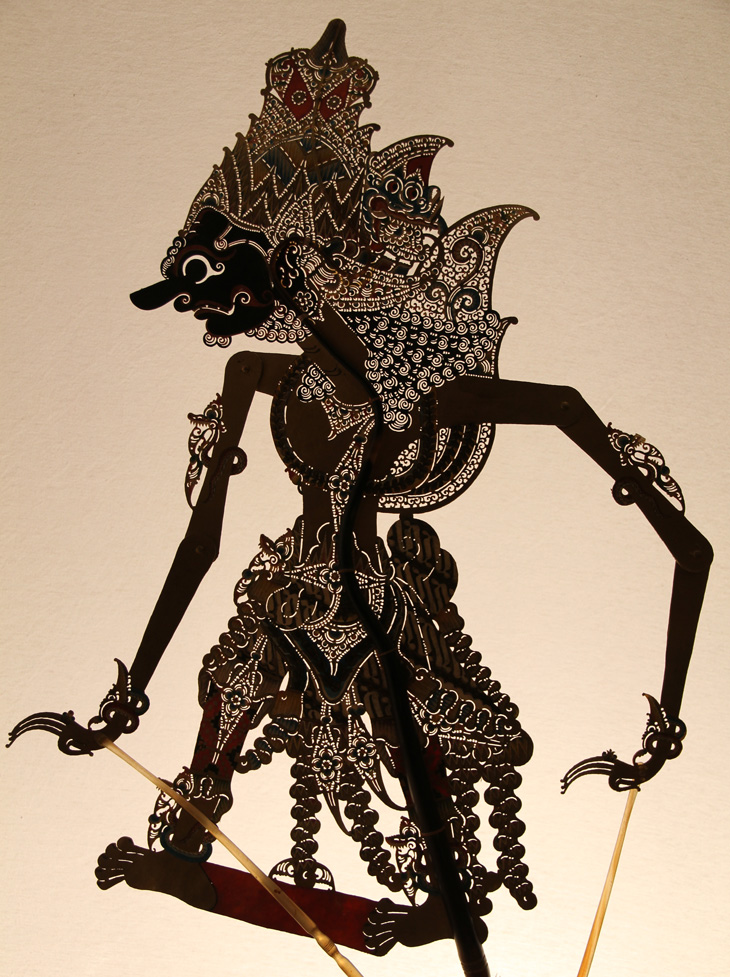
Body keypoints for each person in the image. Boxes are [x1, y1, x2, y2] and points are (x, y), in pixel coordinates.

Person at [10, 20, 711, 969]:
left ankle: (429, 903)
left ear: (285, 255)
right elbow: (200, 545)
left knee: (402, 729)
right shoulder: (255, 376)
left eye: (210, 280)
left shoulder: (419, 391)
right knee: (236, 679)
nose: (202, 312)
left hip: (379, 610)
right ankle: (194, 850)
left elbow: (681, 535)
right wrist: (126, 696)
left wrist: (665, 715)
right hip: (282, 596)